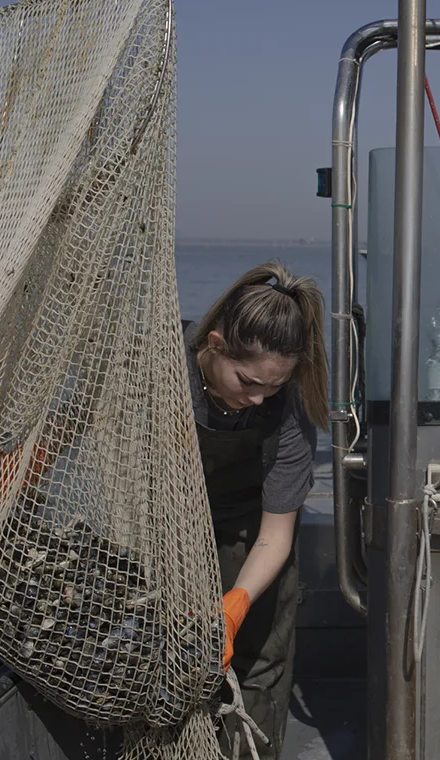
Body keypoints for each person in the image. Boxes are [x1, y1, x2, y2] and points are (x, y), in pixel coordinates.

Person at [184, 261, 328, 759]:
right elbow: (84, 409)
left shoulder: (287, 410)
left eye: (273, 386)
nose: (258, 398)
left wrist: (236, 601)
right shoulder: (160, 367)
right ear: (215, 344)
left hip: (252, 537)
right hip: (171, 531)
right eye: (248, 382)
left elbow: (276, 533)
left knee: (258, 668)